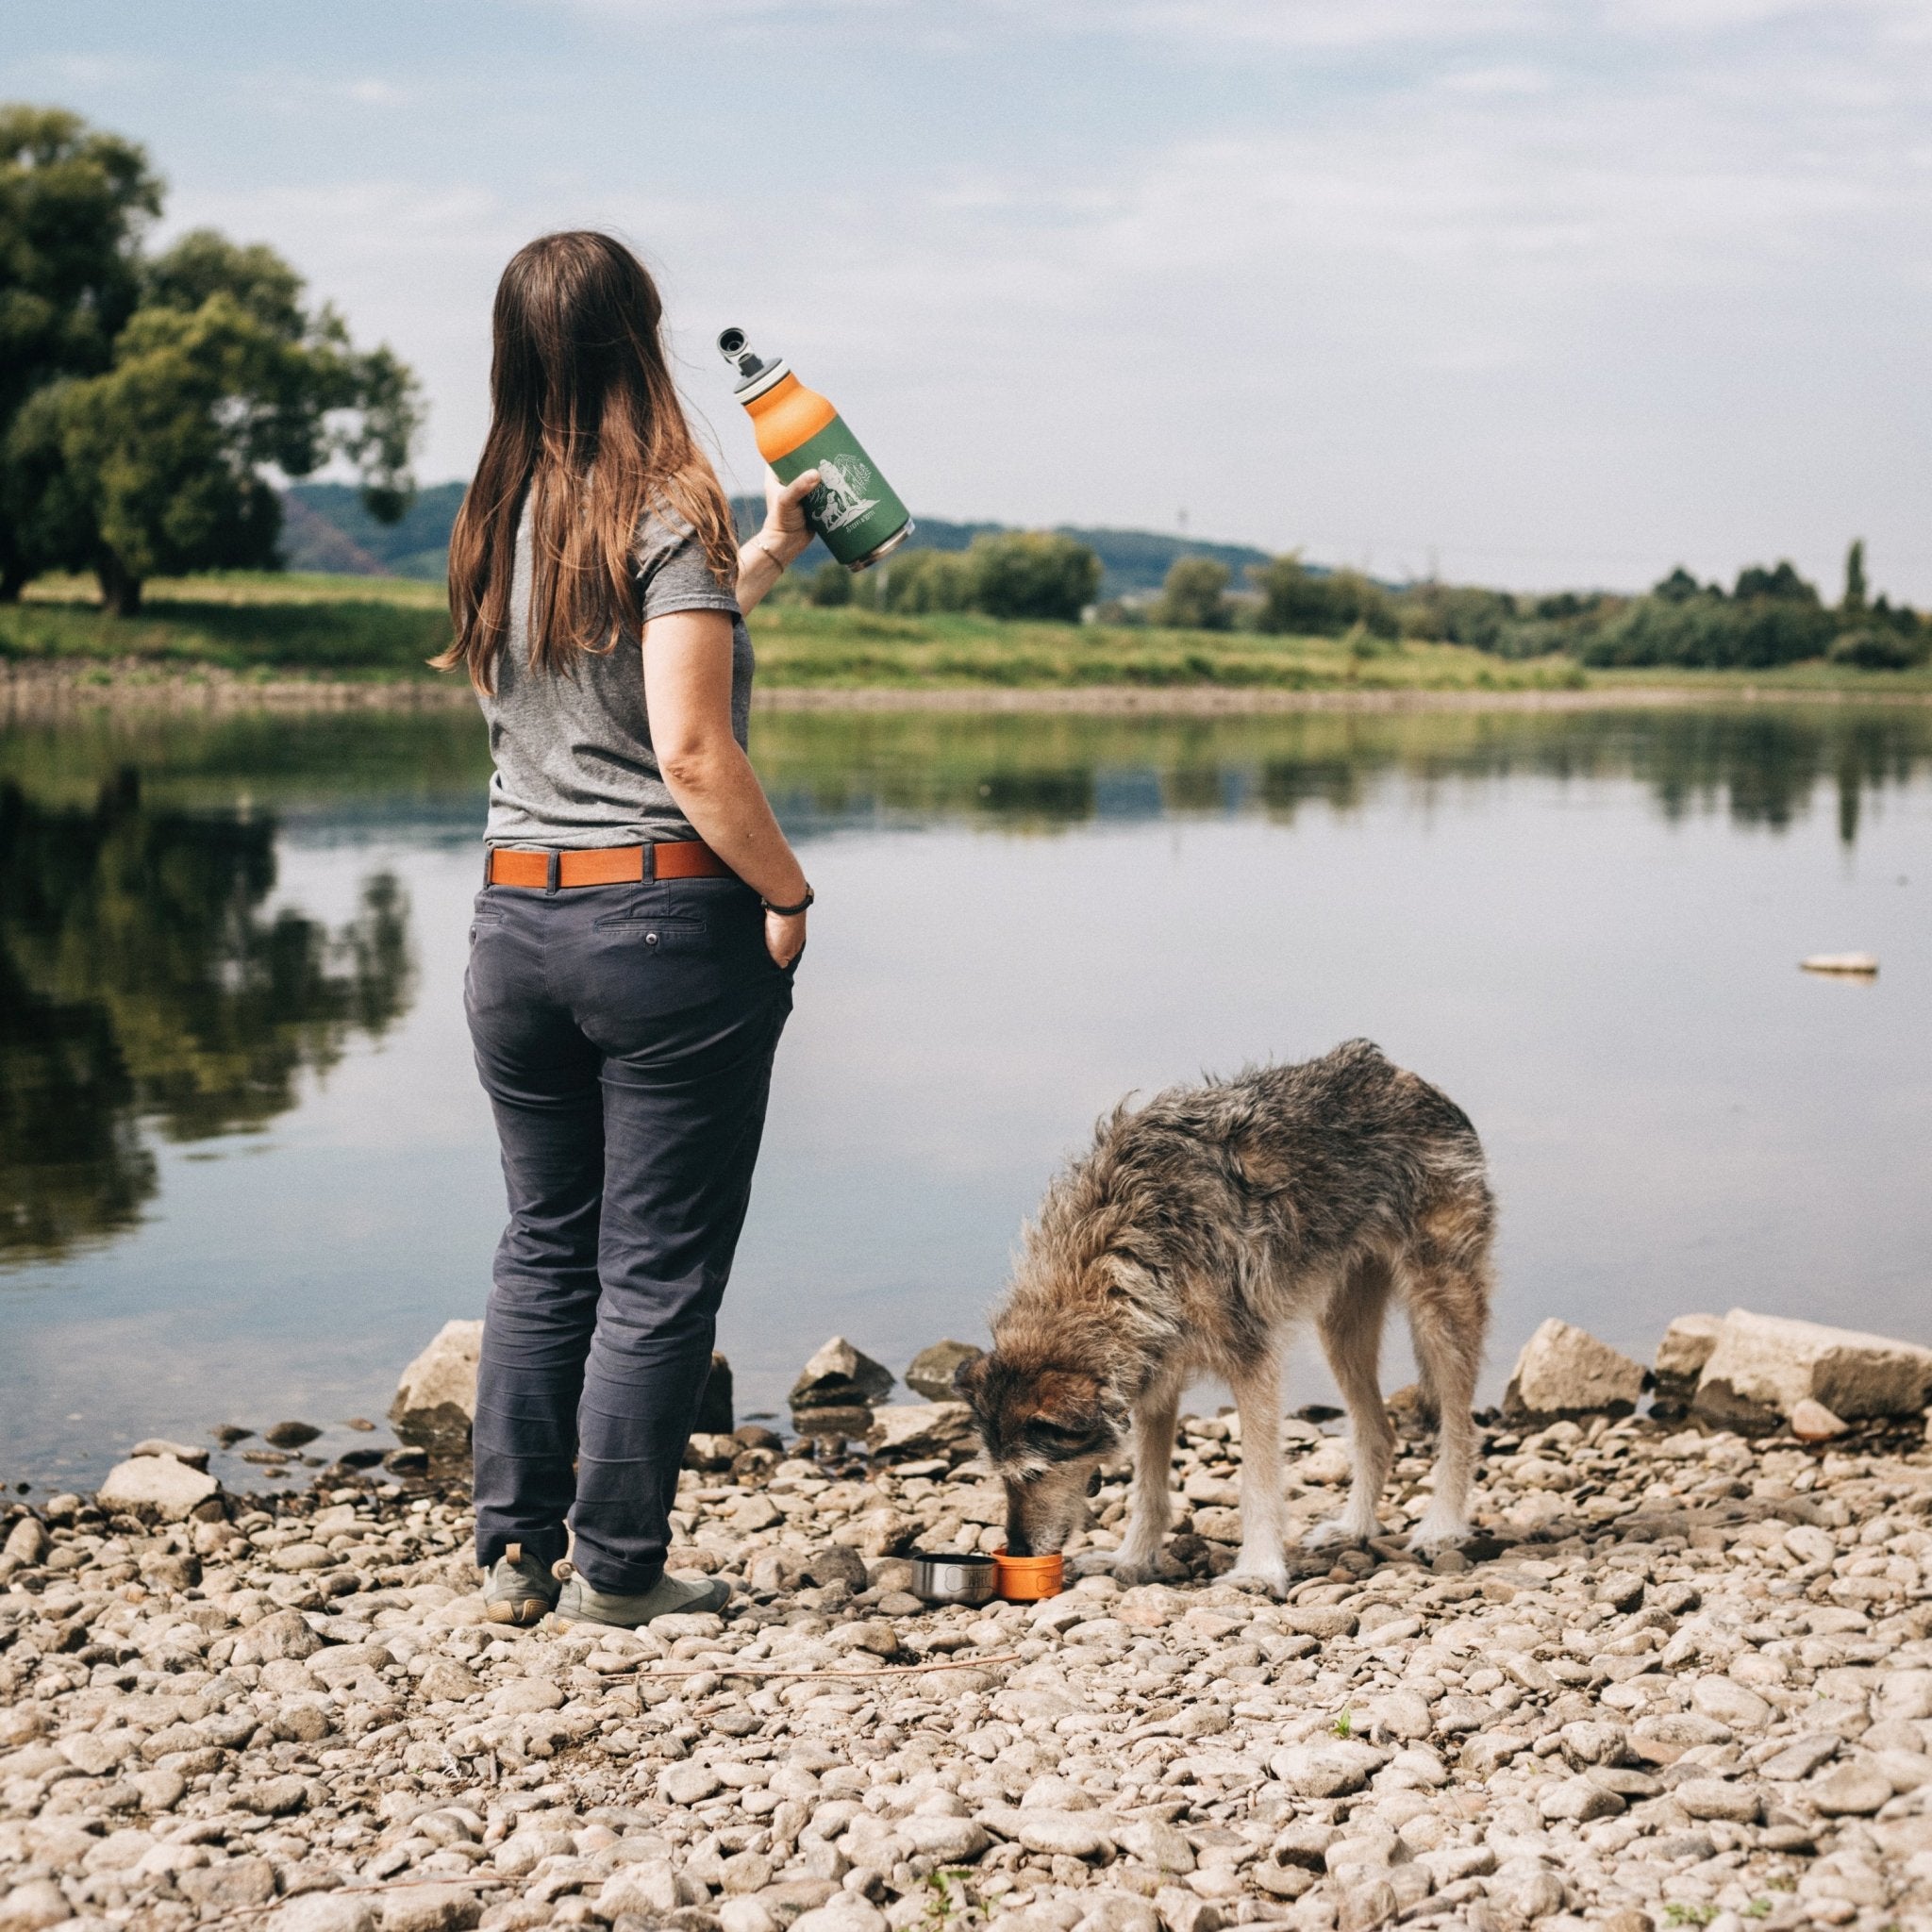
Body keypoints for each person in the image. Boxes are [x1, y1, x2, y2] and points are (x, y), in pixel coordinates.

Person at [436, 231, 820, 1631]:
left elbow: (614, 665)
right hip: (659, 924)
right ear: (636, 338)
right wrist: (785, 893)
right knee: (657, 1265)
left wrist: (761, 558)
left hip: (513, 929)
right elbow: (692, 747)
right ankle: (619, 1568)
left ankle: (511, 1556)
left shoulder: (496, 512)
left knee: (546, 1242)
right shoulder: (668, 498)